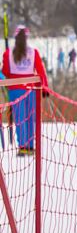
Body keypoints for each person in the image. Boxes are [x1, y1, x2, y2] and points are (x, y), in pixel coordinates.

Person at [3, 26, 49, 156]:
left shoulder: (8, 53)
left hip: (15, 90)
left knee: (20, 118)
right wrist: (45, 87)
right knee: (30, 118)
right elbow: (41, 71)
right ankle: (29, 146)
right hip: (31, 90)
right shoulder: (33, 52)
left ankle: (23, 146)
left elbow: (5, 71)